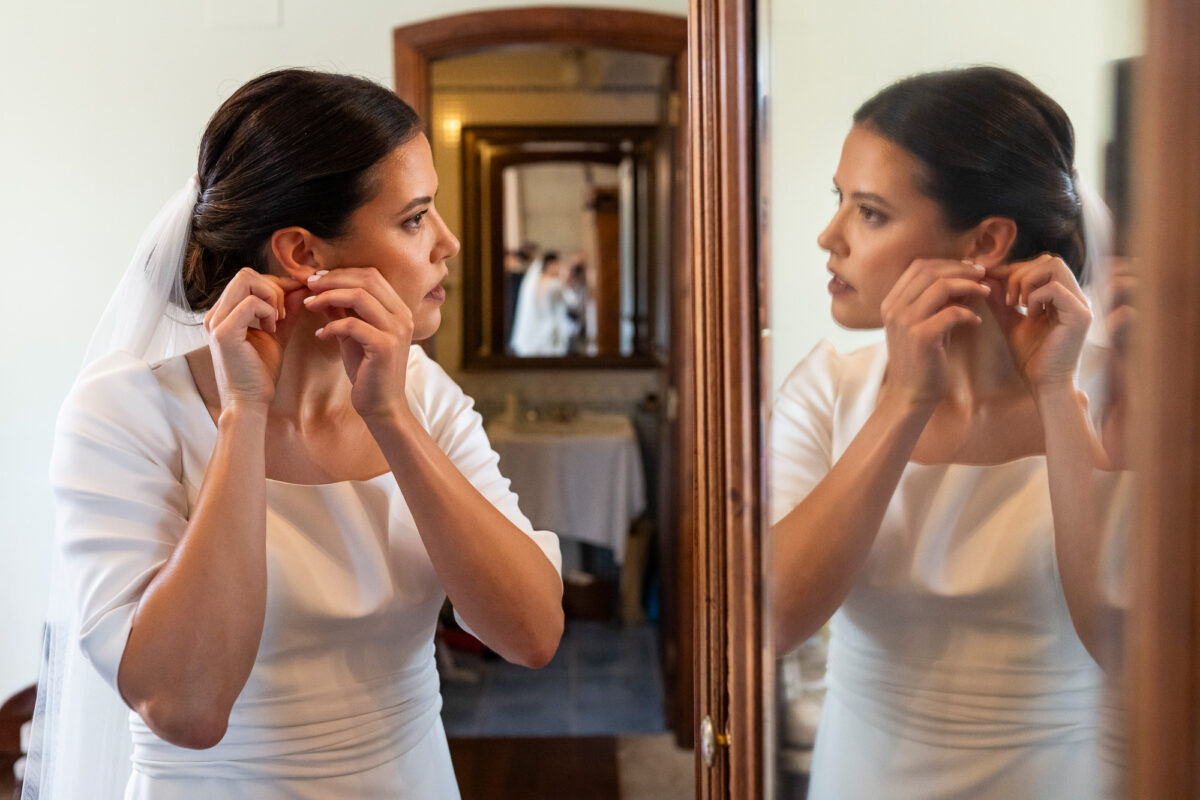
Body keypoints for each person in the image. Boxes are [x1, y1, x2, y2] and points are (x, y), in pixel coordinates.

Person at [25, 68, 564, 800]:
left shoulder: (421, 393)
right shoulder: (127, 413)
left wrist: (391, 418)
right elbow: (186, 708)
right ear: (303, 253)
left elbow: (531, 635)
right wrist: (243, 417)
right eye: (415, 218)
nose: (450, 242)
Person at [769, 66, 1112, 799]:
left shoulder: (1118, 395)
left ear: (985, 240)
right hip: (861, 775)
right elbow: (769, 620)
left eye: (869, 212)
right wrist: (904, 401)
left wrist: (1057, 393)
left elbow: (1127, 644)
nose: (829, 237)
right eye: (838, 200)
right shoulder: (827, 389)